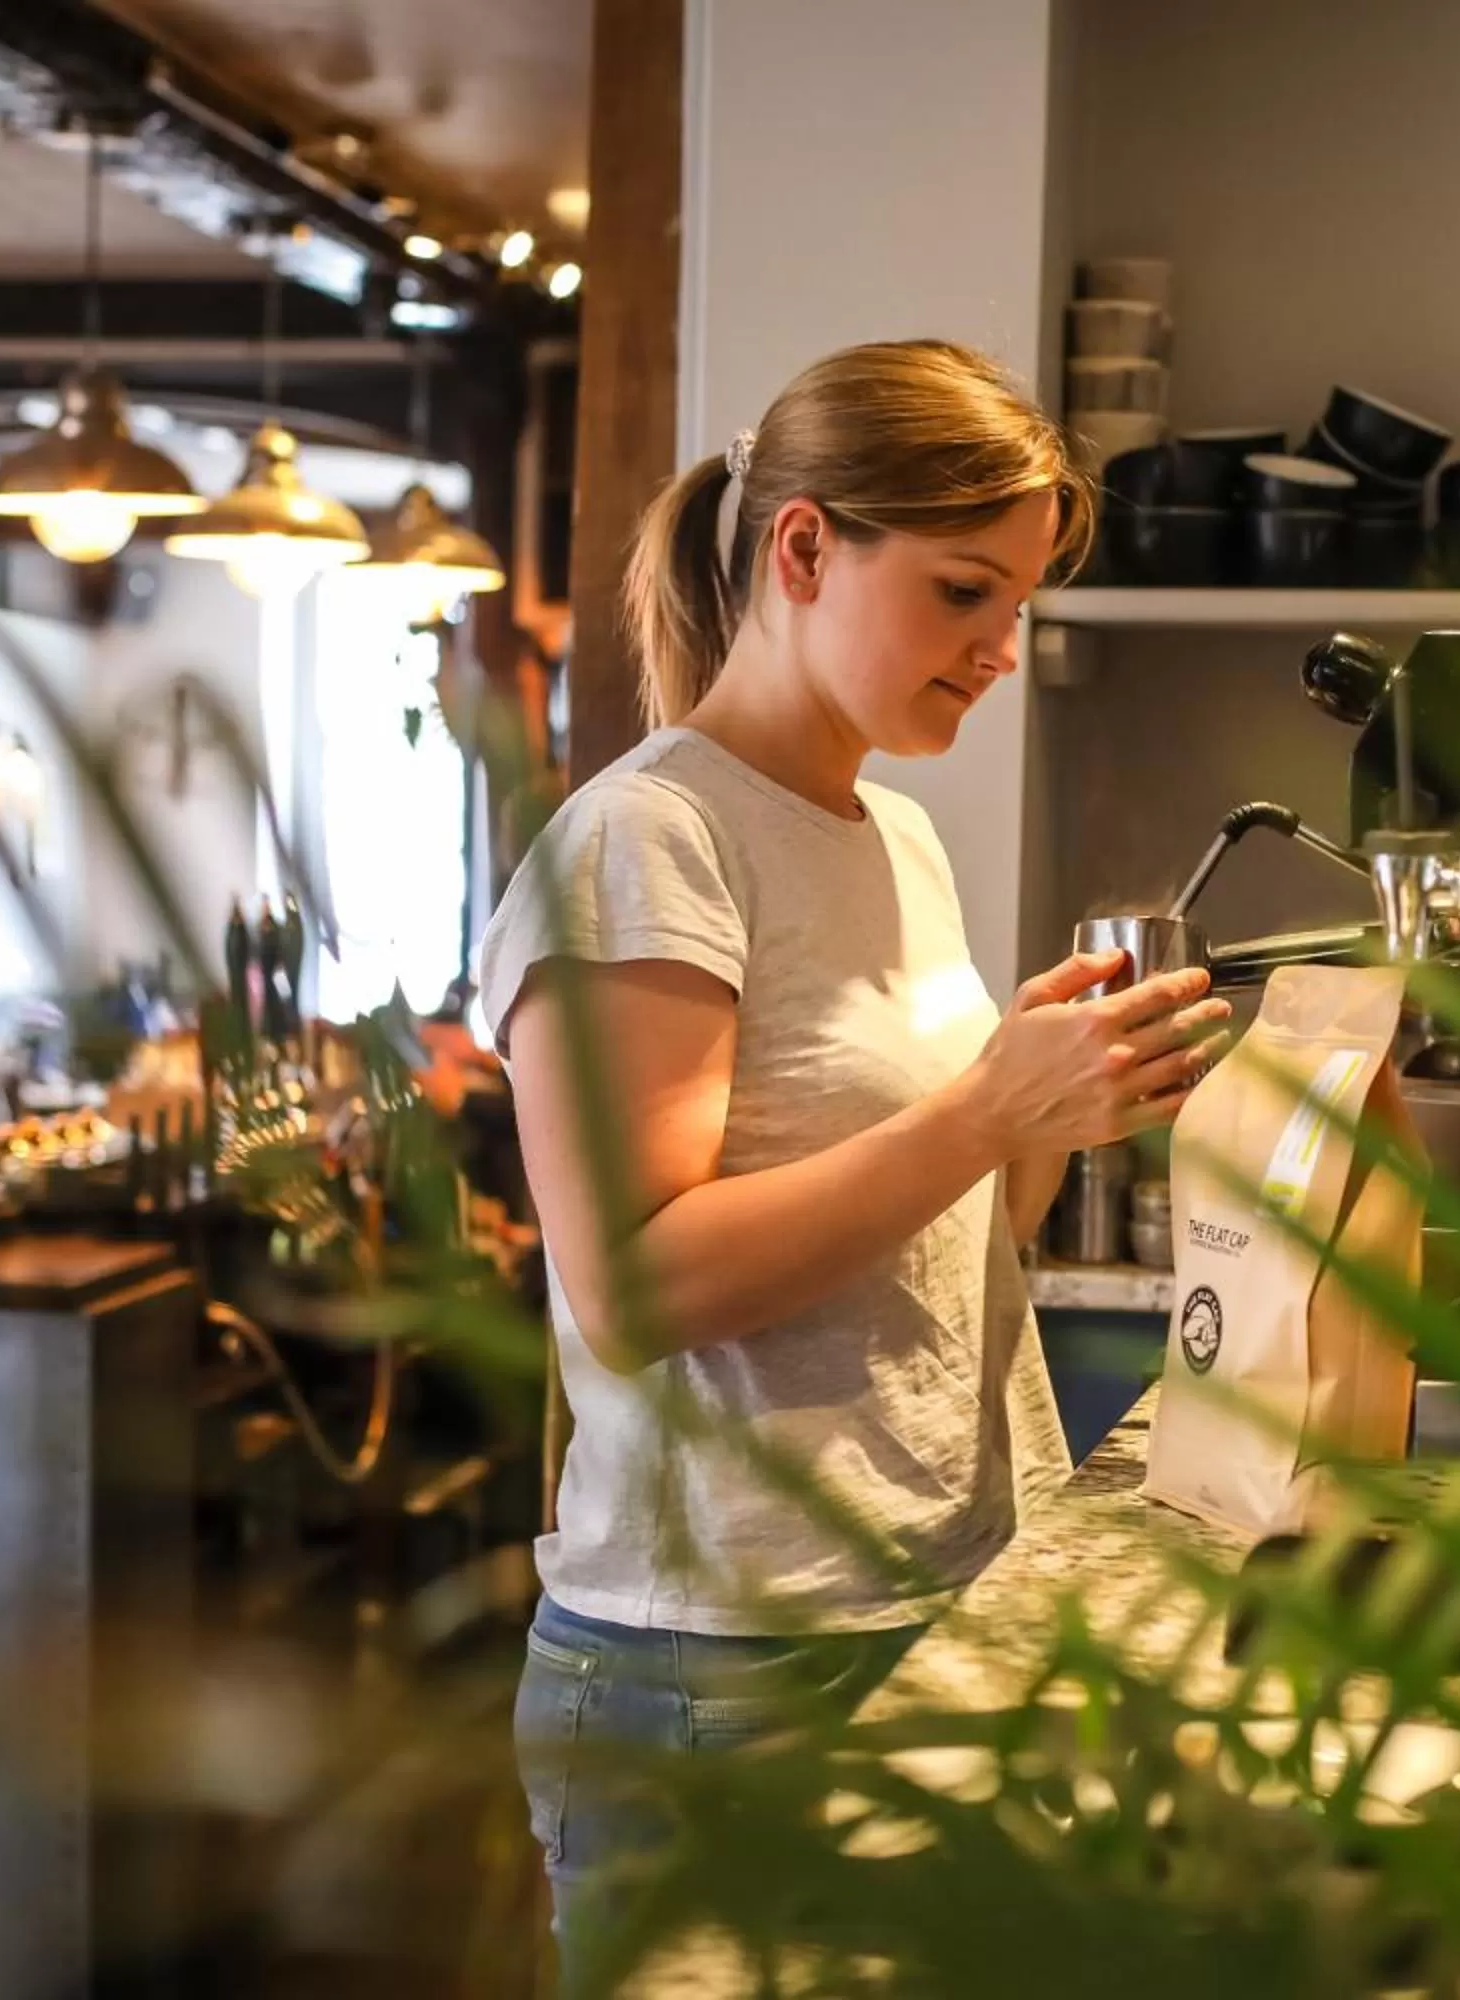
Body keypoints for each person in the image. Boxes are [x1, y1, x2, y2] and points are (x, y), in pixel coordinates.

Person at [474, 339, 1228, 1954]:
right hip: (726, 1666)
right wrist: (983, 1108)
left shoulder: (896, 834)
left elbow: (947, 1242)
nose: (1002, 650)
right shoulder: (646, 841)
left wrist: (1054, 1105)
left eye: (1019, 604)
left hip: (930, 1597)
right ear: (805, 549)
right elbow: (633, 1289)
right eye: (965, 593)